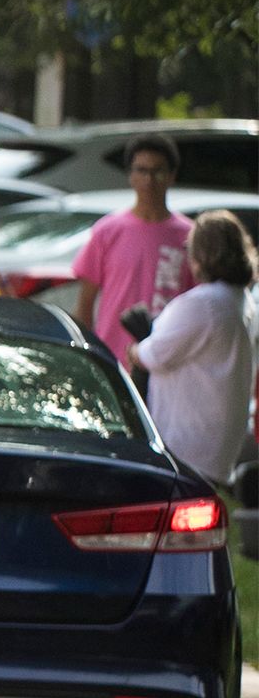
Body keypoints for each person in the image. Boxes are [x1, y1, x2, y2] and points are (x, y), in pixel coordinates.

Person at [131, 211, 258, 485]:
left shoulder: (203, 303)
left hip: (186, 448)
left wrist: (135, 348)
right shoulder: (242, 300)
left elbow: (151, 356)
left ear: (202, 254)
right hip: (217, 446)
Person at [74, 135, 193, 362]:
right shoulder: (107, 231)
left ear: (171, 176)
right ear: (130, 175)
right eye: (141, 170)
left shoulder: (189, 236)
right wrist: (85, 356)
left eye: (157, 171)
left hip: (168, 363)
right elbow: (85, 305)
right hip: (113, 361)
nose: (149, 180)